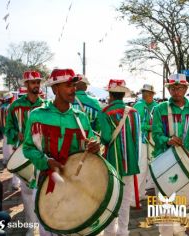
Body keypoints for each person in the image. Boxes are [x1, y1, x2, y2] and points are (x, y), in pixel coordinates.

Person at [23, 68, 99, 236]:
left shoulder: (81, 117)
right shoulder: (37, 115)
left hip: (74, 185)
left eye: (74, 85)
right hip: (44, 183)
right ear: (55, 89)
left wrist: (95, 146)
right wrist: (46, 161)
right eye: (68, 85)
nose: (74, 89)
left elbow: (91, 143)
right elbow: (27, 148)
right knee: (46, 231)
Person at [152, 74, 189, 236]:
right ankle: (166, 233)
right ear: (169, 89)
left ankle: (179, 228)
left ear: (185, 89)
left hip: (186, 160)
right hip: (164, 159)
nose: (176, 91)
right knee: (164, 200)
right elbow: (156, 134)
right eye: (173, 88)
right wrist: (168, 140)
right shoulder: (160, 109)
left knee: (181, 195)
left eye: (180, 88)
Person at [4, 71, 46, 235]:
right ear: (26, 85)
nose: (36, 85)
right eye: (32, 82)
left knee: (41, 194)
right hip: (22, 156)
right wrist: (17, 135)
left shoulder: (46, 106)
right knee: (27, 194)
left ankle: (44, 227)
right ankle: (31, 226)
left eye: (38, 82)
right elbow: (8, 129)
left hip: (41, 156)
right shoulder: (15, 106)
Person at [99, 79, 140, 236]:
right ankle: (123, 231)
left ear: (110, 94)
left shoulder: (105, 113)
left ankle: (109, 232)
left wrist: (102, 139)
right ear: (123, 94)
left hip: (112, 163)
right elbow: (136, 137)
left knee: (111, 199)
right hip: (130, 163)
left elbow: (107, 138)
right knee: (125, 201)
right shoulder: (133, 112)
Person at [133, 84, 158, 200]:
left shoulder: (155, 106)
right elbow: (137, 125)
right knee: (142, 167)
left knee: (148, 167)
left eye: (148, 93)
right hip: (141, 140)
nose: (145, 95)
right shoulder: (139, 105)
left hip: (152, 141)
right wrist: (150, 127)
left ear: (152, 94)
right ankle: (134, 197)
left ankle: (141, 193)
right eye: (144, 93)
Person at [0, 92, 14, 165]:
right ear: (10, 99)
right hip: (9, 128)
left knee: (5, 143)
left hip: (2, 128)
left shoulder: (0, 107)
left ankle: (5, 158)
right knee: (10, 144)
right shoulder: (10, 107)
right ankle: (8, 159)